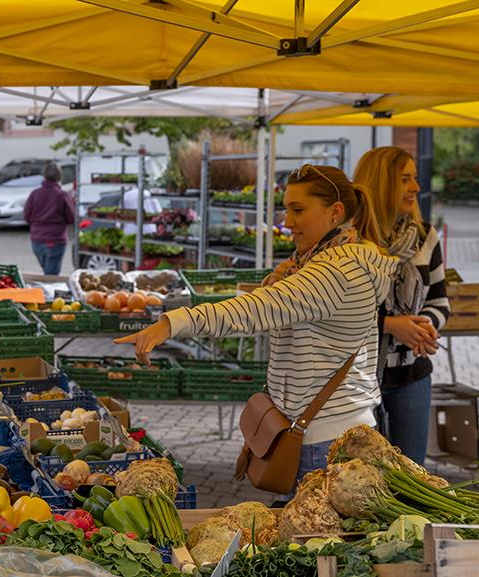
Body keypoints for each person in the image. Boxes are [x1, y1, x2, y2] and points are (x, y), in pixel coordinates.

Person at [115, 165, 398, 483]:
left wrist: (173, 323)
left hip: (325, 438)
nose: (287, 221)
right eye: (286, 209)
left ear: (335, 212)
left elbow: (256, 308)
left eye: (297, 210)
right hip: (329, 426)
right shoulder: (323, 262)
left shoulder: (337, 272)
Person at [355, 147, 449, 466]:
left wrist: (423, 326)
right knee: (363, 478)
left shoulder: (425, 237)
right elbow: (337, 311)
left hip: (413, 375)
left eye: (415, 178)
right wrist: (391, 325)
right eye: (405, 179)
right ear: (381, 183)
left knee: (412, 475)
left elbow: (439, 300)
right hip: (358, 380)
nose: (416, 187)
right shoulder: (350, 241)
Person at [23, 162, 75, 275]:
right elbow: (71, 218)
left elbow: (26, 216)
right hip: (55, 240)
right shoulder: (62, 195)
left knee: (47, 271)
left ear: (44, 176)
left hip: (37, 240)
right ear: (59, 177)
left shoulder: (35, 194)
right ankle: (46, 292)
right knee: (51, 277)